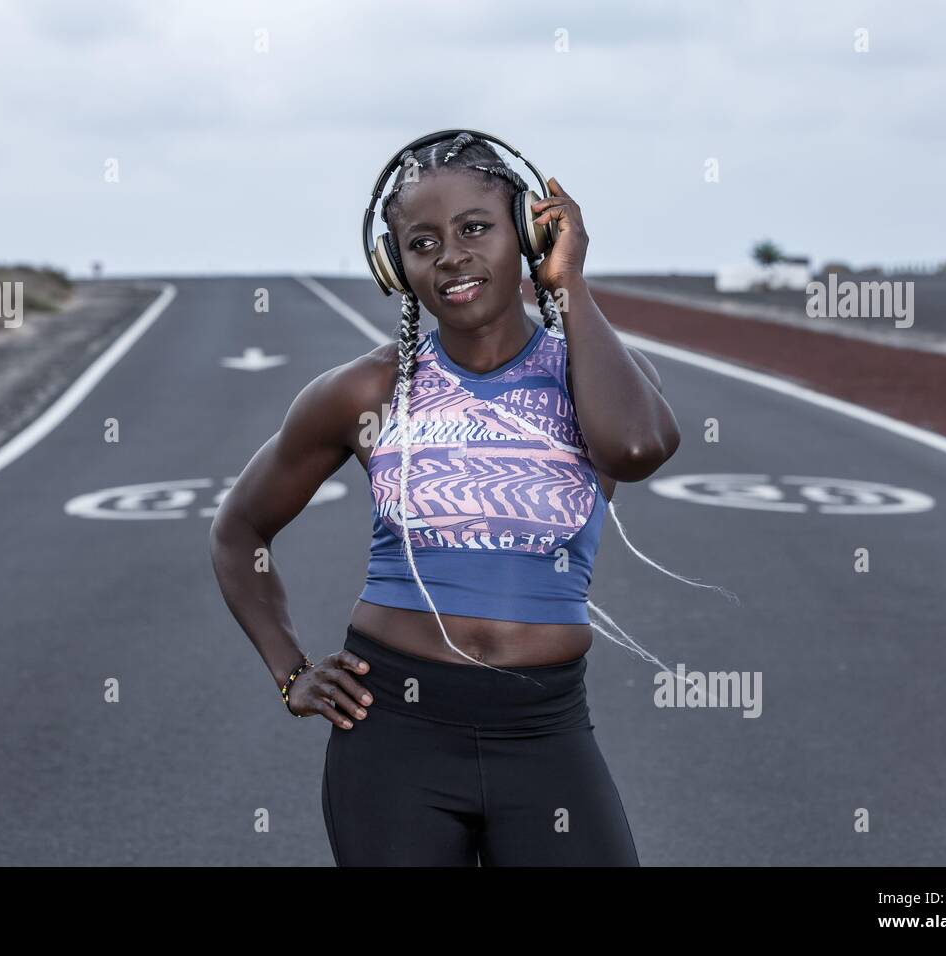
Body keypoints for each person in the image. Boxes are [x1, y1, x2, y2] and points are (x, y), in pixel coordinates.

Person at [210, 132, 681, 865]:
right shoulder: (366, 391)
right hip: (394, 739)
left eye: (476, 228)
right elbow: (240, 530)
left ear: (528, 232)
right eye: (422, 242)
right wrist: (291, 671)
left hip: (545, 730)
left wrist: (570, 286)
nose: (452, 256)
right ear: (394, 267)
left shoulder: (594, 373)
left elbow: (636, 450)